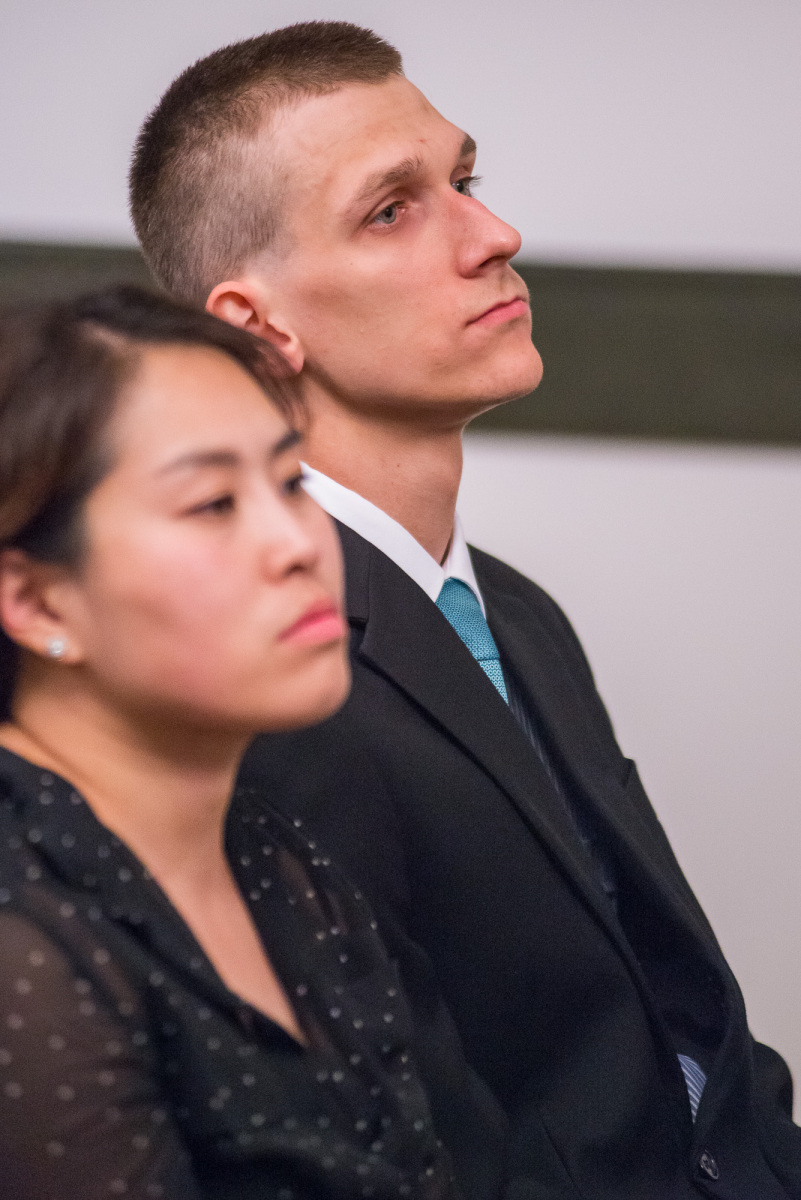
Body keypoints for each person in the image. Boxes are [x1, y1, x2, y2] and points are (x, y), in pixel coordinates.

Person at [129, 22, 801, 1200]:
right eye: (391, 210)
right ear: (254, 326)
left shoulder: (519, 614)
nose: (495, 236)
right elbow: (397, 1156)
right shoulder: (256, 670)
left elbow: (676, 1021)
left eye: (466, 180)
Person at [0, 285, 484, 1200]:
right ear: (37, 602)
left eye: (292, 483)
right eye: (214, 503)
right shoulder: (24, 947)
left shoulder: (280, 859)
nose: (298, 544)